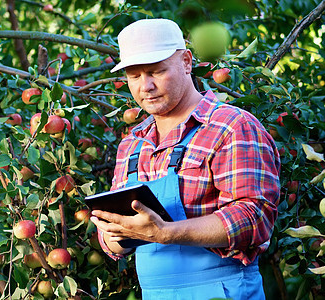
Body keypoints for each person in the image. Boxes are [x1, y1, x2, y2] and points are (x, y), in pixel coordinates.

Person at [89, 19, 281, 299]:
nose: (147, 86)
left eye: (156, 71)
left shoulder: (231, 126)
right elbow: (113, 245)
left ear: (187, 62)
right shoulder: (132, 144)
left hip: (223, 291)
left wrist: (166, 233)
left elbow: (255, 217)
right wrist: (114, 234)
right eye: (134, 76)